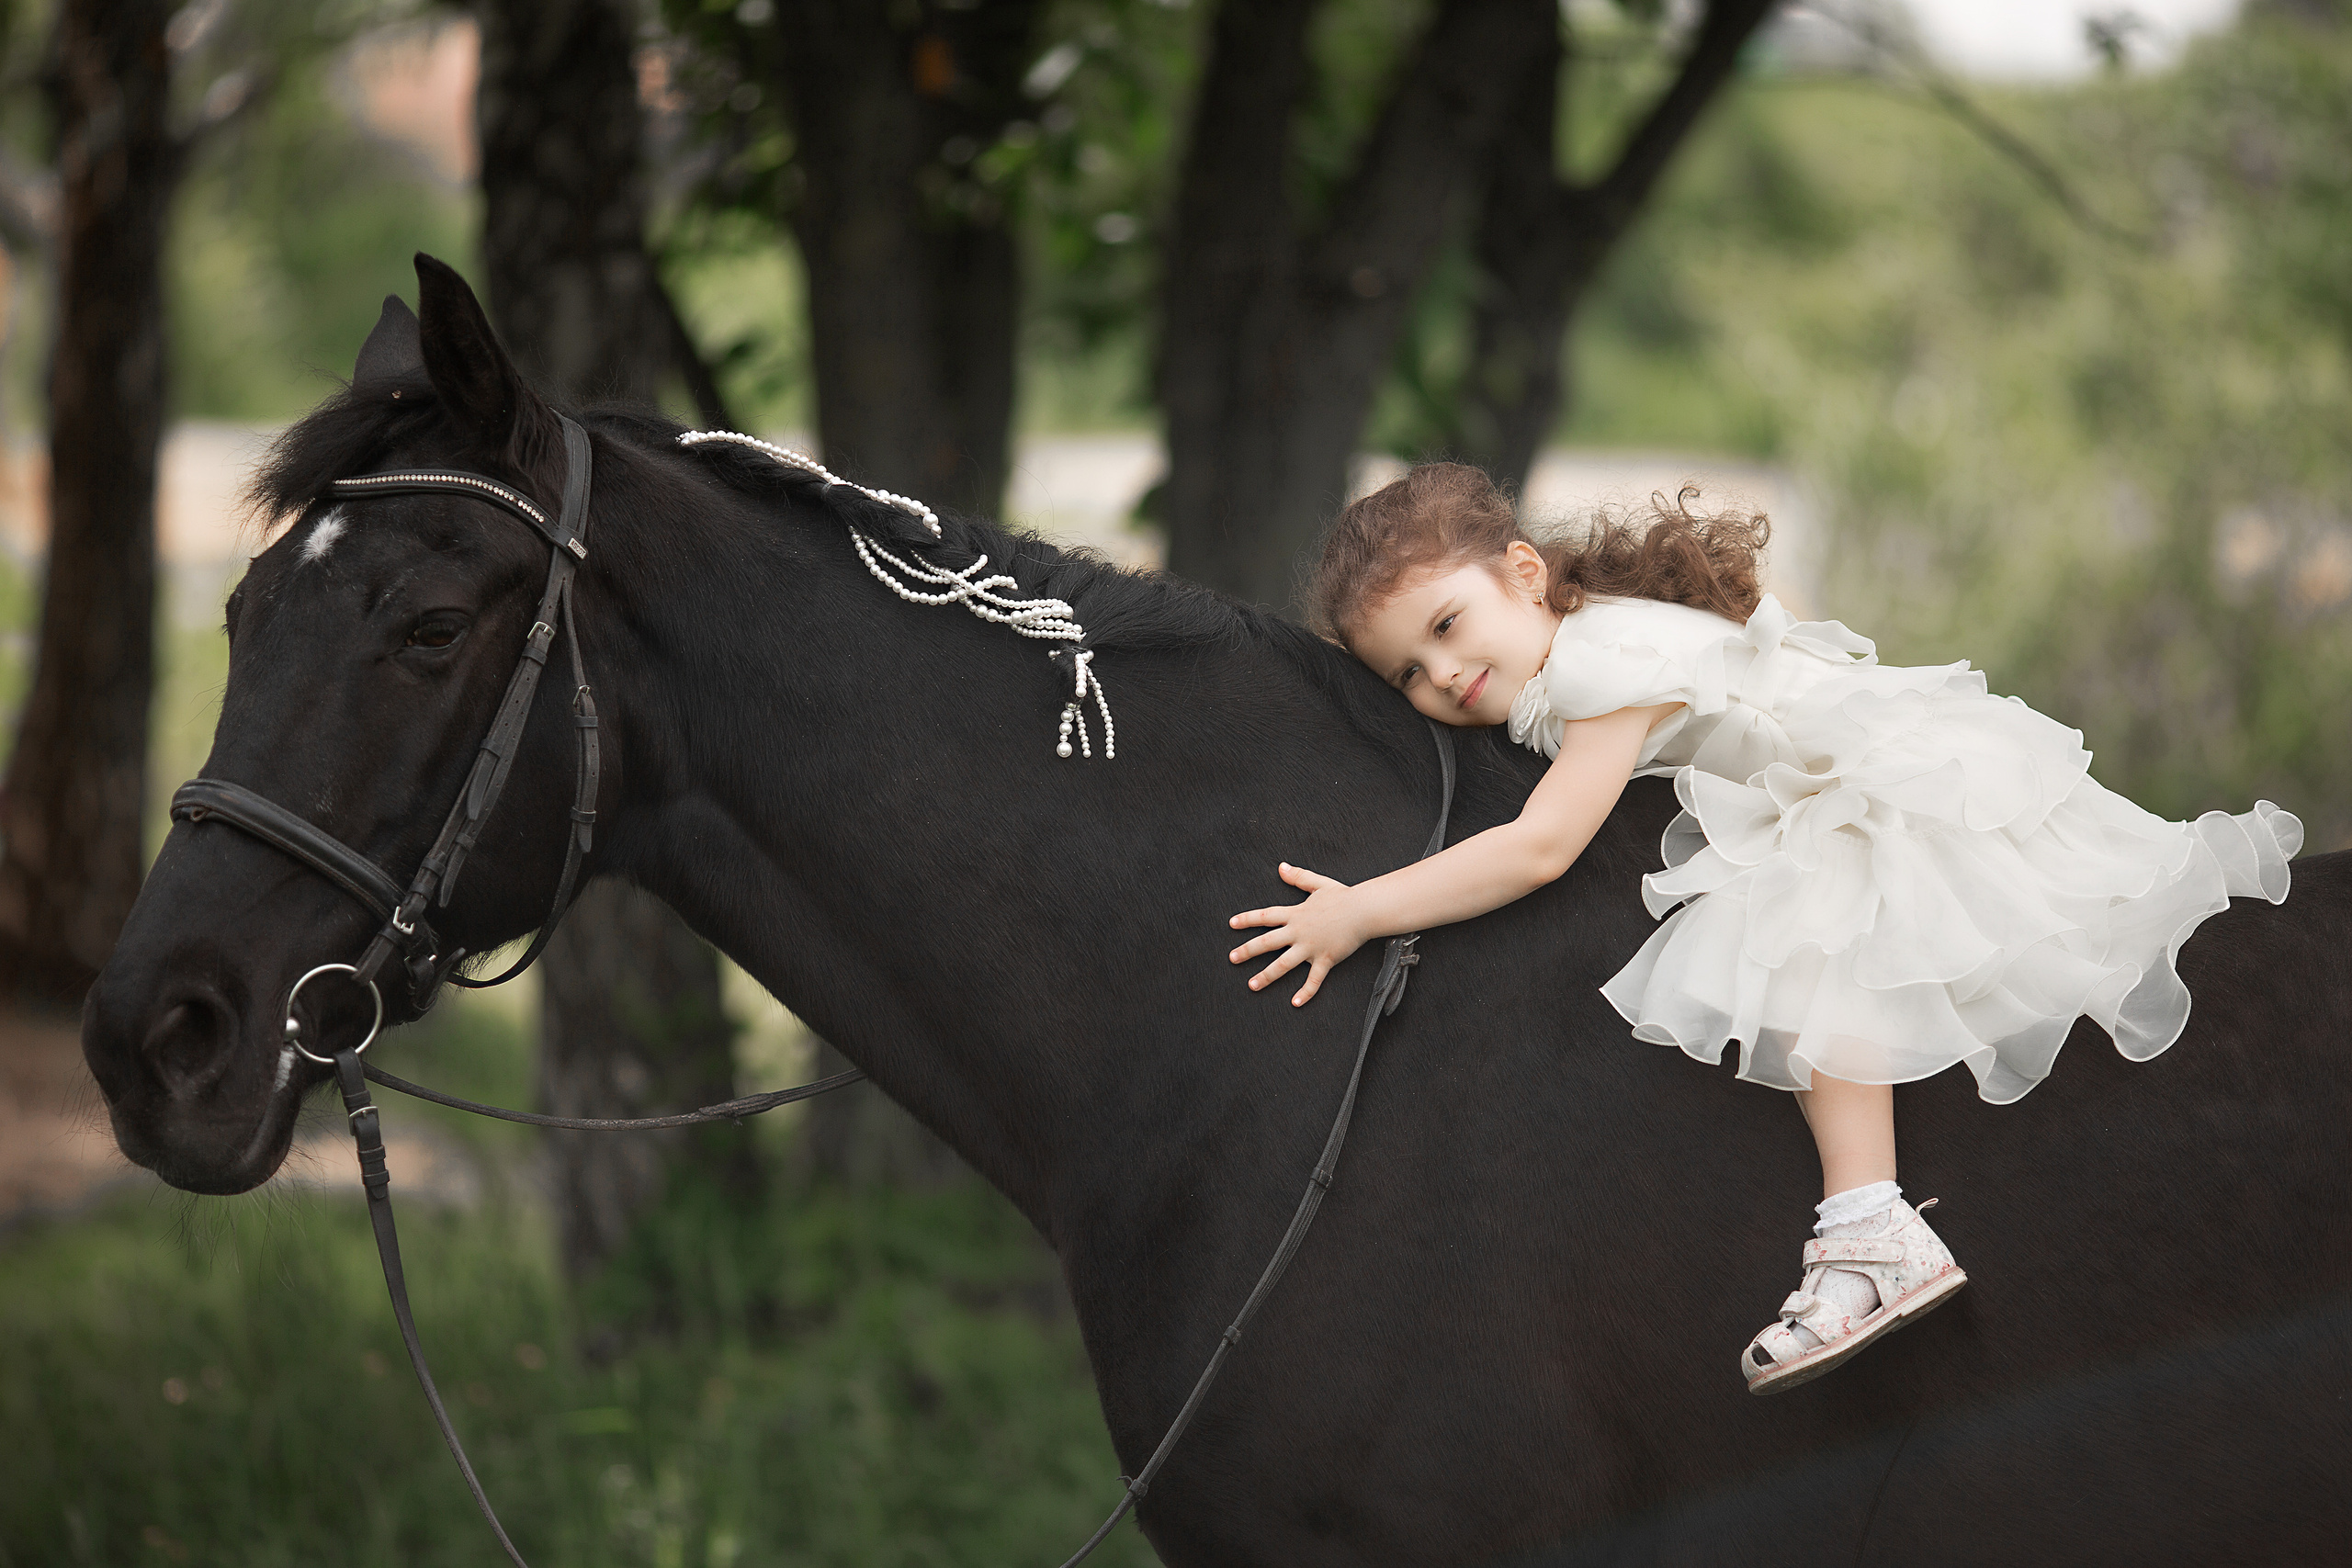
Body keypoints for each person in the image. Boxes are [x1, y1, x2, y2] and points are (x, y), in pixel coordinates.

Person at [1227, 462, 2301, 1393]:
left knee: (1795, 916)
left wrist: (1359, 908)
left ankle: (1872, 1228)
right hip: (1839, 775)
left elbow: (1540, 848)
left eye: (1446, 627)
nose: (1442, 675)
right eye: (1406, 673)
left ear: (1521, 574)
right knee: (1781, 890)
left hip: (1872, 792)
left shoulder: (1604, 662)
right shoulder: (1568, 661)